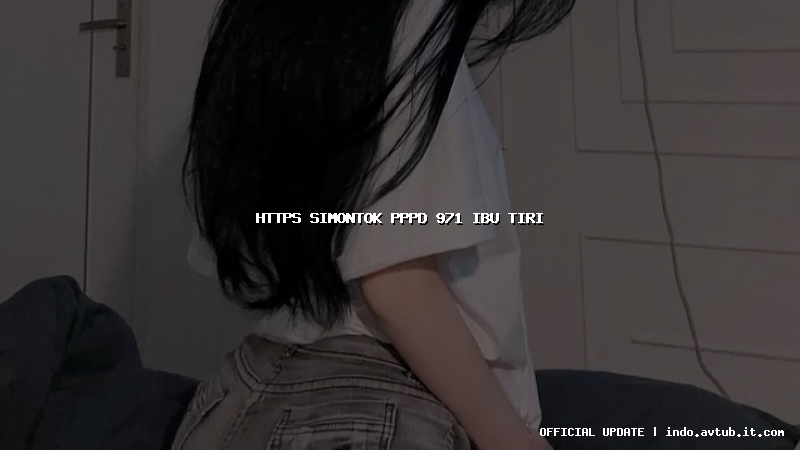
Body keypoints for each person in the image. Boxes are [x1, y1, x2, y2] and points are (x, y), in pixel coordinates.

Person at [174, 1, 574, 449]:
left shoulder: (276, 23)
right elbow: (397, 285)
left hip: (233, 395)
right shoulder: (416, 18)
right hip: (373, 402)